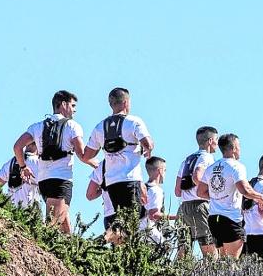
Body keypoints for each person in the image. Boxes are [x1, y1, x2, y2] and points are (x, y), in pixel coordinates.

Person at [13, 90, 97, 234]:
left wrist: (23, 166)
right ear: (63, 104)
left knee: (63, 223)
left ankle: (69, 253)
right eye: (73, 105)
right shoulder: (72, 126)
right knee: (53, 225)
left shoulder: (38, 126)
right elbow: (82, 155)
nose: (75, 109)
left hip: (44, 181)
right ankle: (39, 250)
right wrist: (97, 164)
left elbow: (17, 146)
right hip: (61, 179)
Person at [84, 87, 154, 231]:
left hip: (112, 183)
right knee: (135, 222)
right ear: (126, 102)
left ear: (111, 104)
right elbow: (148, 143)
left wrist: (96, 161)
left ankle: (119, 250)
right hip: (130, 179)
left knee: (121, 220)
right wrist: (148, 150)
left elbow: (87, 155)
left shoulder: (100, 127)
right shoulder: (134, 121)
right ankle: (130, 251)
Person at [201, 133, 263, 259]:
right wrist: (260, 197)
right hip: (230, 218)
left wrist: (218, 196)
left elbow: (200, 192)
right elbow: (245, 190)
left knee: (222, 261)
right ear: (233, 149)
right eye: (239, 146)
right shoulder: (236, 166)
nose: (240, 149)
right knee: (231, 262)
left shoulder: (211, 168)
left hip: (214, 219)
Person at [174, 126, 219, 260]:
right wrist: (212, 194)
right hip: (200, 207)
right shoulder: (207, 158)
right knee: (211, 253)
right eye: (216, 139)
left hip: (183, 208)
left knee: (183, 251)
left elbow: (177, 191)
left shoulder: (186, 160)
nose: (218, 143)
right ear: (210, 141)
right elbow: (197, 176)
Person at [141, 156, 169, 245]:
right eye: (165, 170)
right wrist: (176, 217)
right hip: (148, 229)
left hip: (133, 228)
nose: (165, 173)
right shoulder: (156, 190)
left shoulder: (141, 188)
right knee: (166, 246)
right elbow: (153, 215)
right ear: (160, 171)